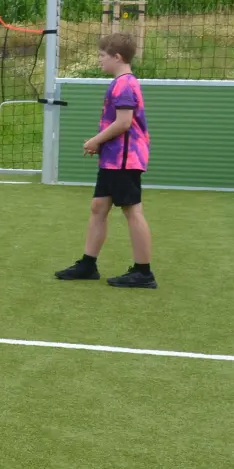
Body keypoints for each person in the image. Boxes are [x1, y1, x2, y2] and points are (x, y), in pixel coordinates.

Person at [55, 33, 156, 288]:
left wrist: (96, 140)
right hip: (113, 159)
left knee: (132, 210)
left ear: (117, 57)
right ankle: (88, 265)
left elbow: (123, 123)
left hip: (124, 158)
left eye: (102, 56)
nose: (100, 61)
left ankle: (143, 272)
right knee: (99, 207)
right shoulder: (121, 83)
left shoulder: (124, 84)